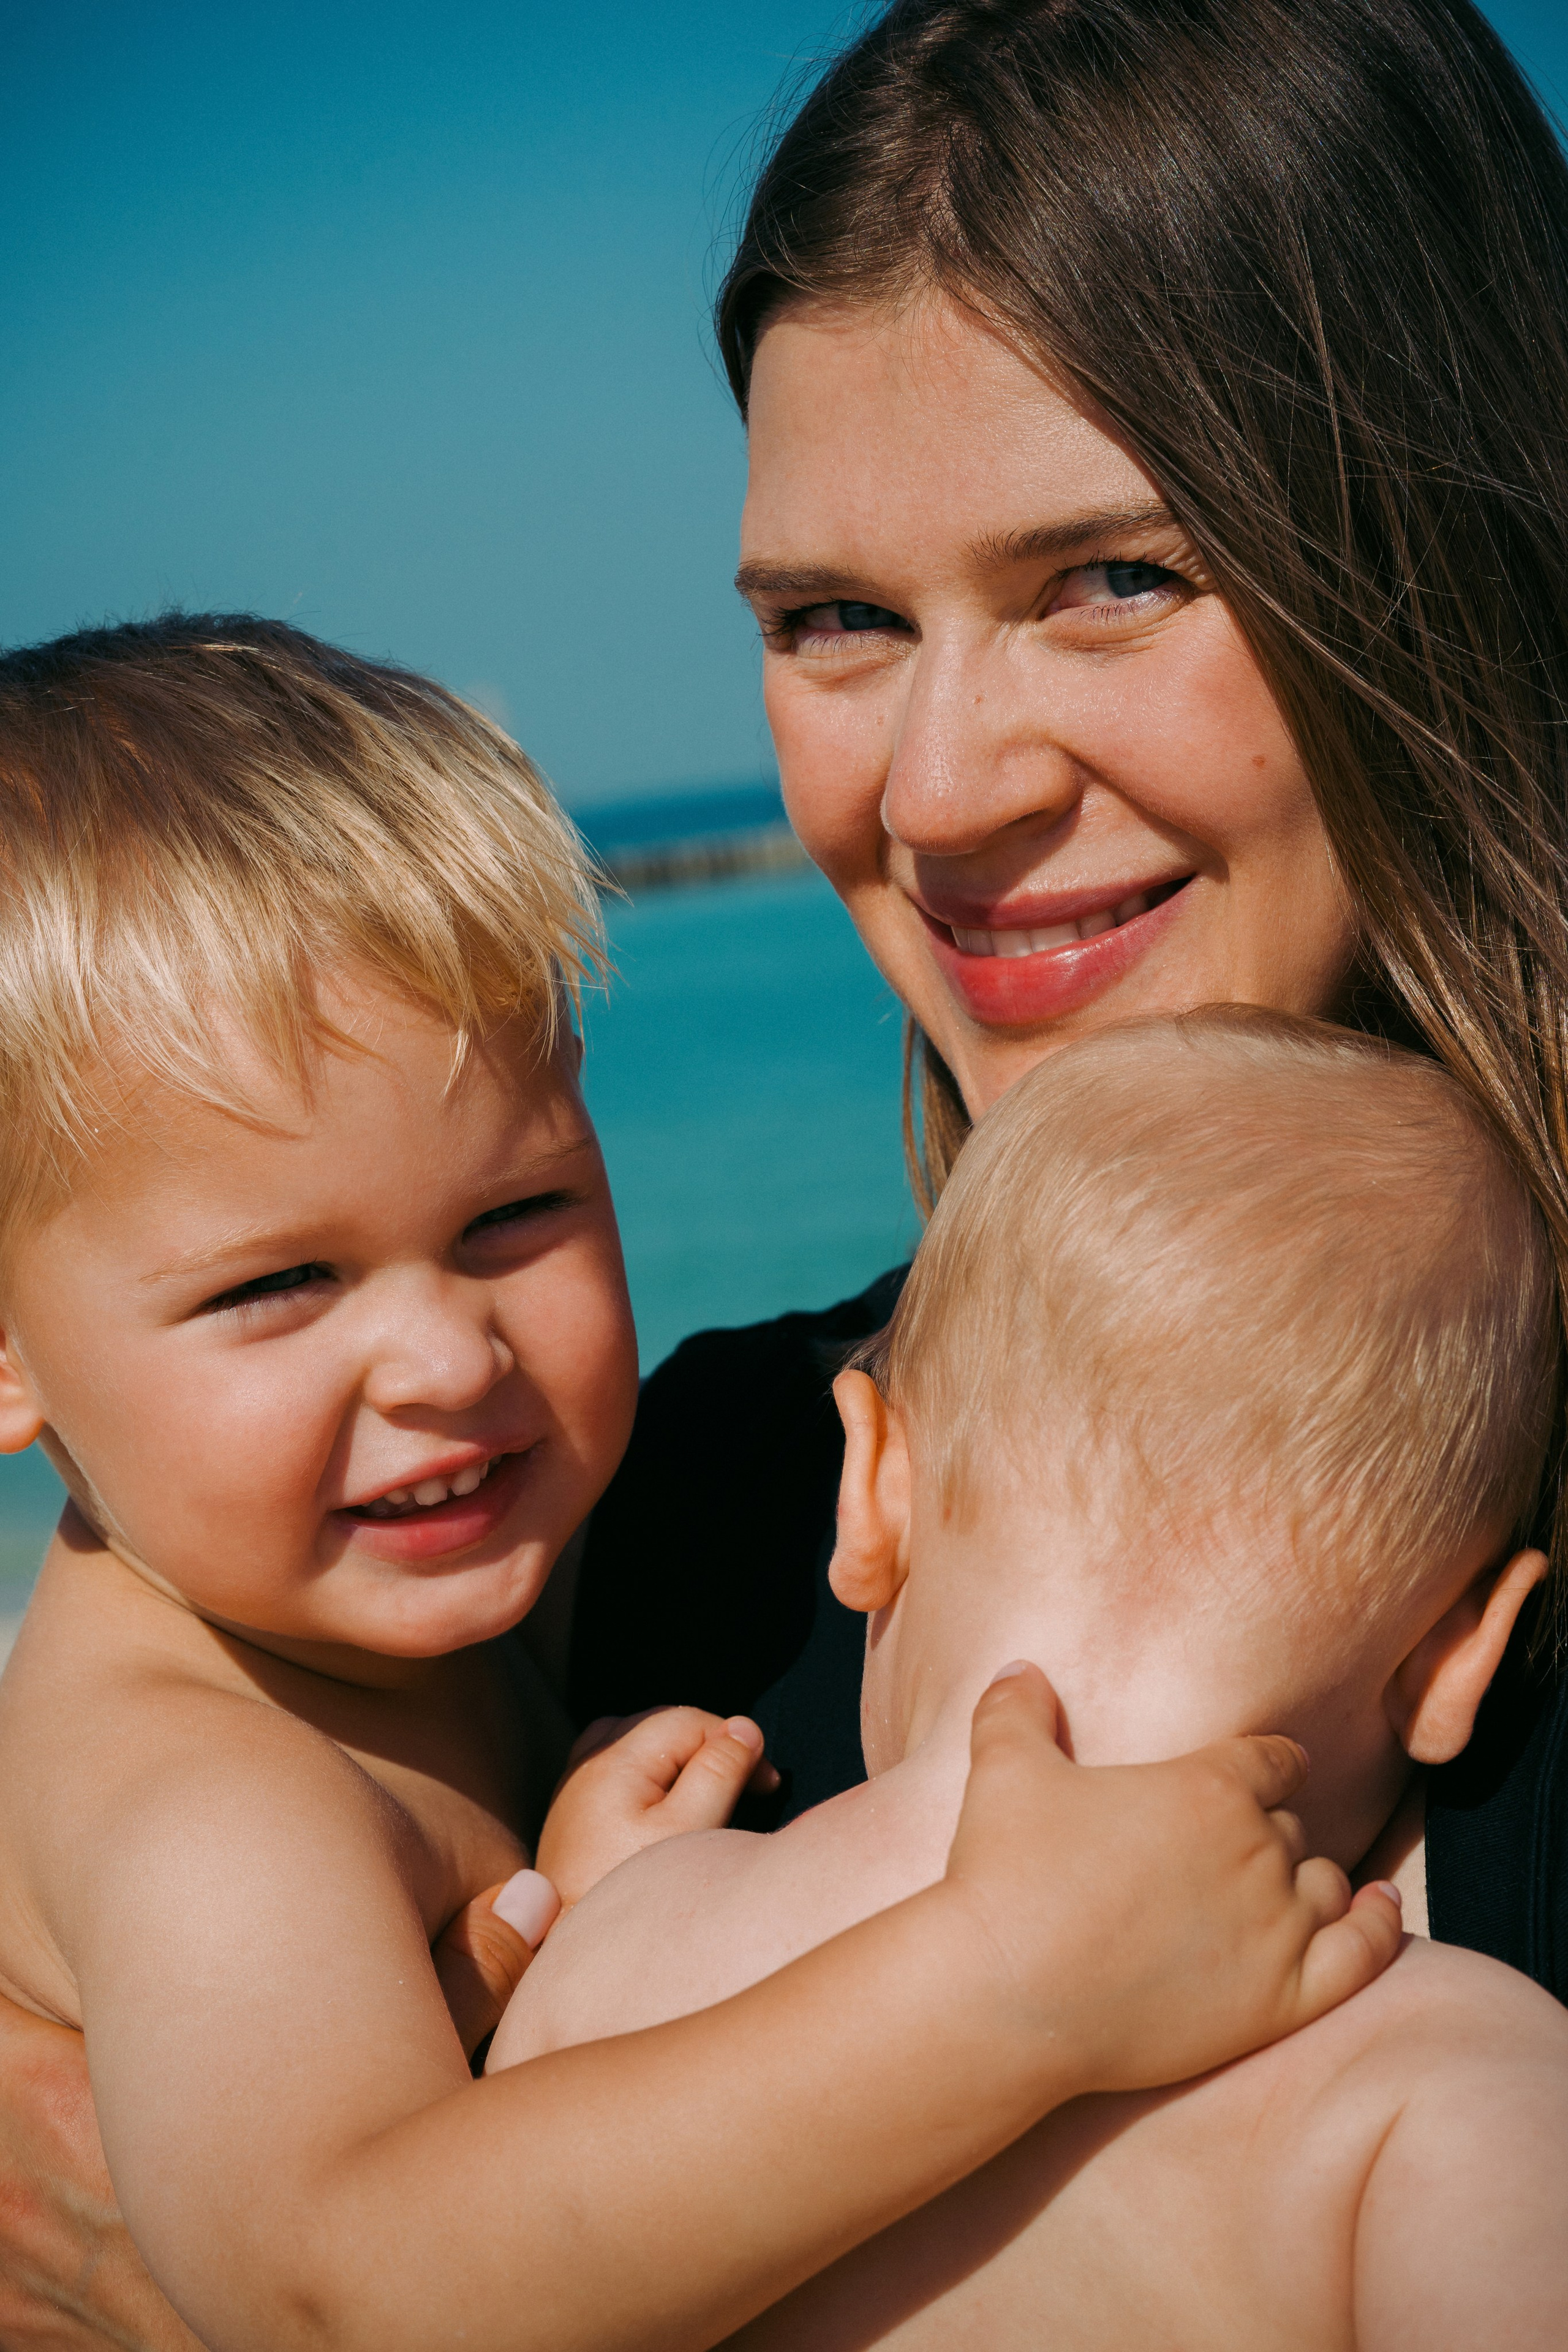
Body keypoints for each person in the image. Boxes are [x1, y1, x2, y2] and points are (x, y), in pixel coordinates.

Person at [6, 0, 1568, 2334]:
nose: (932, 794)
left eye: (1109, 577)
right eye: (834, 622)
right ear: (885, 1488)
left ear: (1436, 554)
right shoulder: (681, 1533)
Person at [0, 617, 1396, 2352]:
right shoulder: (204, 1804)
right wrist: (1011, 1988)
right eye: (277, 1288)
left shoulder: (375, 1609)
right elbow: (341, 2289)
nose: (452, 1359)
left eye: (515, 1217)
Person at [499, 1011, 1568, 2347]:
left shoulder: (626, 1955)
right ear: (1456, 1658)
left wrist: (600, 1899)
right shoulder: (1443, 2075)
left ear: (872, 1493)